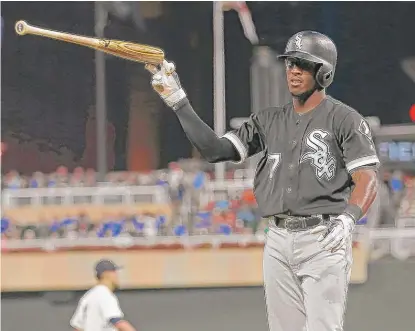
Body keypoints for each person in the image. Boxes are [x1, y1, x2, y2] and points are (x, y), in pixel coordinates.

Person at [147, 30, 379, 331]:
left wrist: (349, 218)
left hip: (323, 236)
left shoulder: (345, 119)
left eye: (303, 64)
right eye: (290, 62)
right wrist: (178, 101)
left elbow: (367, 175)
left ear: (323, 72)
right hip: (278, 238)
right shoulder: (267, 120)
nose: (293, 70)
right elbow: (215, 150)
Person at [70, 259, 137, 331]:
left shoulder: (87, 296)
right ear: (106, 274)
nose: (117, 275)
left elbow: (78, 328)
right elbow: (118, 322)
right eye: (114, 272)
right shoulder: (105, 295)